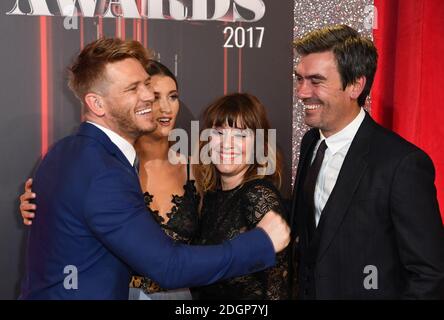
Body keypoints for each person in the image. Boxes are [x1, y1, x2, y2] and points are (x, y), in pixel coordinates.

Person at [18, 38, 289, 299]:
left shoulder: (59, 152)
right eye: (133, 88)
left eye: (146, 84)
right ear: (96, 103)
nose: (149, 97)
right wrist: (261, 243)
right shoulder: (105, 171)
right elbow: (169, 267)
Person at [290, 24, 444, 299]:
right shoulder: (311, 143)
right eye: (299, 79)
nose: (301, 92)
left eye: (316, 81)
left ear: (355, 85)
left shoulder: (402, 164)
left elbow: (429, 274)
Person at [191, 93, 289, 299]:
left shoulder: (258, 196)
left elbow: (276, 288)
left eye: (240, 136)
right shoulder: (207, 197)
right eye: (218, 132)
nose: (226, 144)